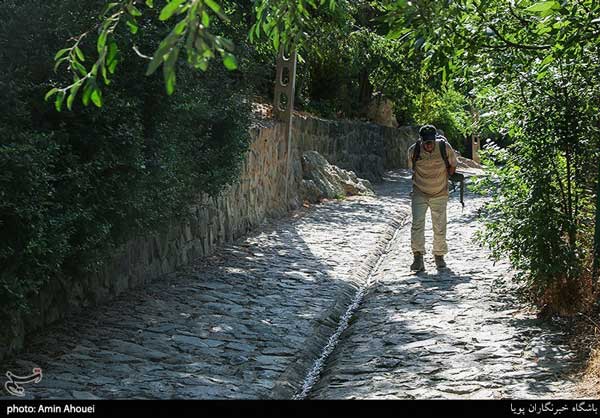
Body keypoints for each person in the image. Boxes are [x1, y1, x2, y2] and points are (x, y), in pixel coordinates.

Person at [407, 124, 458, 271]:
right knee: (417, 224)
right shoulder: (413, 150)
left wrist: (445, 178)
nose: (429, 145)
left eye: (431, 141)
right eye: (426, 142)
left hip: (440, 193)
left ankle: (439, 255)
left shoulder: (444, 147)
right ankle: (418, 257)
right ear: (421, 140)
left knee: (440, 226)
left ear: (435, 139)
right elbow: (411, 168)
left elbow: (453, 165)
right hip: (419, 192)